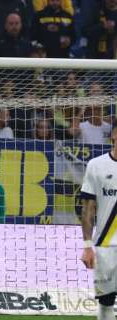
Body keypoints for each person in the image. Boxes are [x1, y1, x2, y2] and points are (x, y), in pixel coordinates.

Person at [80, 121, 117, 320]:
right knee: (106, 303)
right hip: (105, 246)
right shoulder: (96, 165)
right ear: (114, 135)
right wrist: (87, 246)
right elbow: (88, 209)